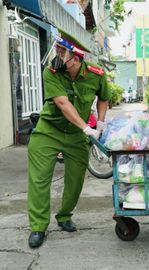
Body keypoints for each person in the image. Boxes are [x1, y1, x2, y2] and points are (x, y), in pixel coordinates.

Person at [27, 29, 111, 248]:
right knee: (39, 179)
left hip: (75, 135)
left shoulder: (96, 74)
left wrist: (100, 122)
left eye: (62, 51)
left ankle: (64, 216)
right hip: (49, 130)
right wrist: (87, 128)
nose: (57, 53)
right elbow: (63, 104)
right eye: (57, 48)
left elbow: (103, 98)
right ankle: (38, 226)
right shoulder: (51, 72)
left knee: (75, 180)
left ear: (75, 59)